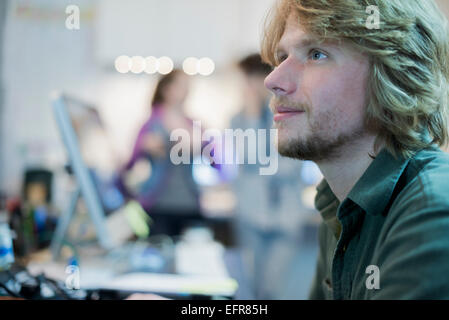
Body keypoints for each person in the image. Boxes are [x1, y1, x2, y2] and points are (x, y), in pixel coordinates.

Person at [261, 0, 449, 299]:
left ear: (394, 74)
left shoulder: (433, 215)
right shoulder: (339, 202)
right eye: (282, 56)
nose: (273, 80)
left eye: (316, 54)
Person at [230, 54, 318, 299]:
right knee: (250, 285)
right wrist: (250, 117)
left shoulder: (289, 114)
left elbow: (289, 166)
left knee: (271, 288)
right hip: (251, 216)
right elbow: (248, 156)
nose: (246, 87)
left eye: (250, 80)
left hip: (286, 217)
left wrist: (263, 165)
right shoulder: (238, 119)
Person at [117, 69, 202, 237]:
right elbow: (129, 164)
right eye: (181, 85)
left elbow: (218, 163)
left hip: (190, 204)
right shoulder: (151, 124)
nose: (186, 90)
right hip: (158, 205)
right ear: (166, 89)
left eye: (187, 86)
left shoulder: (194, 125)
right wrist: (144, 146)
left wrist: (203, 145)